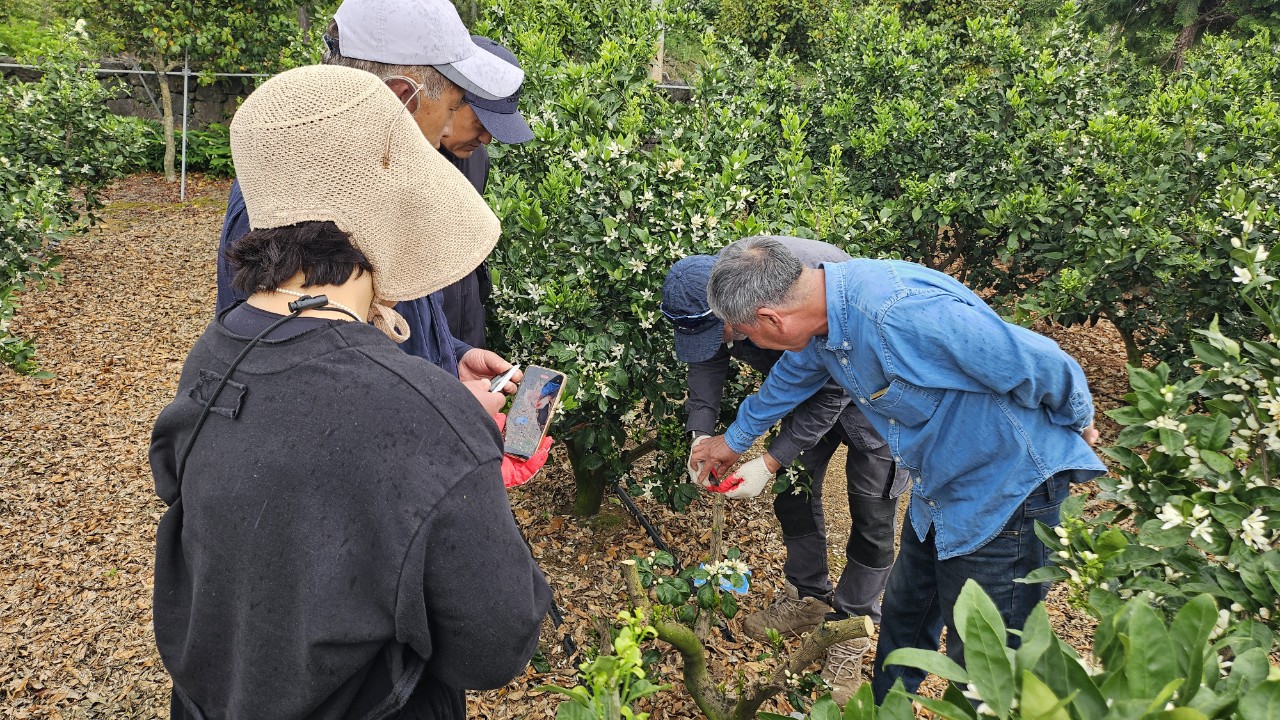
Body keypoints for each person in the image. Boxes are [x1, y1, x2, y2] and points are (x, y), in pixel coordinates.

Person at [151, 65, 552, 720]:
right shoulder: (427, 421)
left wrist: (440, 382)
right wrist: (458, 439)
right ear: (389, 199)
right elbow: (496, 644)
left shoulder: (215, 353)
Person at [689, 236, 1105, 704]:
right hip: (938, 493)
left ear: (771, 319)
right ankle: (889, 711)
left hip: (1006, 493)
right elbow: (792, 376)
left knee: (986, 666)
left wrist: (1081, 423)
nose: (748, 342)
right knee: (904, 621)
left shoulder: (898, 315)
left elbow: (1044, 362)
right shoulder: (825, 312)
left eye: (747, 333)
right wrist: (733, 441)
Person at [214, 0, 520, 413]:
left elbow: (391, 313)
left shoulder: (373, 178)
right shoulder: (290, 204)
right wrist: (444, 411)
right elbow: (291, 394)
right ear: (400, 98)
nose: (444, 133)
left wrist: (452, 357)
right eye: (450, 109)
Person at [660, 238, 907, 703]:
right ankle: (809, 597)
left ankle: (850, 631)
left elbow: (831, 384)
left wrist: (770, 458)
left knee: (873, 512)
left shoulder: (800, 292)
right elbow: (706, 365)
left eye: (723, 334)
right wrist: (701, 437)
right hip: (797, 391)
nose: (722, 346)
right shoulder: (722, 297)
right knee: (792, 495)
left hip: (871, 402)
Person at [437, 35, 535, 349]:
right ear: (448, 97)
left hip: (465, 337)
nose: (487, 139)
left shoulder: (475, 158)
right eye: (480, 123)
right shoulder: (395, 163)